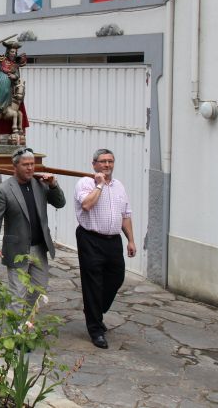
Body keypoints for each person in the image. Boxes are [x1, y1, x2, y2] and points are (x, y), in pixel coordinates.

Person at [0, 148, 66, 311]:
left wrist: (54, 185)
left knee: (38, 289)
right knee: (17, 293)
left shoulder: (40, 184)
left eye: (32, 164)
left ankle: (25, 321)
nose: (30, 168)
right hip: (17, 249)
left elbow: (60, 203)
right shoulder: (4, 189)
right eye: (25, 165)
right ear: (15, 166)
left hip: (39, 248)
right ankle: (16, 333)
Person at [74, 149, 136, 350]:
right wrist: (99, 185)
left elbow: (125, 214)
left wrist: (131, 240)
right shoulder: (85, 183)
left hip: (113, 240)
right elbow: (86, 205)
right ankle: (95, 329)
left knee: (116, 277)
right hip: (91, 238)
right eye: (103, 162)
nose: (107, 165)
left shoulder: (119, 186)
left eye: (110, 161)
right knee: (92, 282)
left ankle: (95, 311)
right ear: (94, 164)